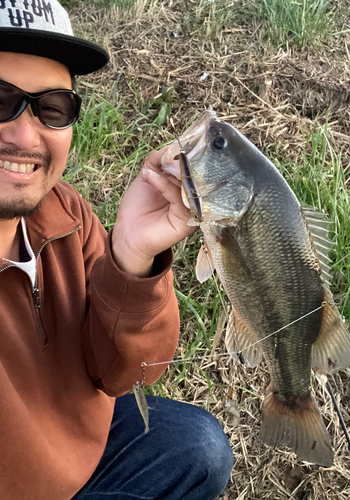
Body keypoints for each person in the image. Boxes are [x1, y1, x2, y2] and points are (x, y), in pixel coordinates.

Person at [0, 0, 233, 499]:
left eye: (52, 108)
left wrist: (130, 258)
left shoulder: (66, 215)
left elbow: (121, 373)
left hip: (71, 432)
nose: (24, 133)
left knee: (200, 446)